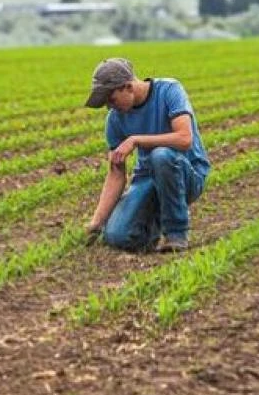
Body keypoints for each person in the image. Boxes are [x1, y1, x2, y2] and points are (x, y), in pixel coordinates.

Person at [84, 58, 210, 252]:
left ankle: (176, 234)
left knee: (161, 156)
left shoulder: (169, 90)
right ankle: (152, 226)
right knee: (116, 236)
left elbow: (184, 139)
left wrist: (137, 140)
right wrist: (97, 222)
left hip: (186, 173)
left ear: (127, 86)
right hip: (147, 179)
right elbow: (116, 174)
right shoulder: (115, 119)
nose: (110, 107)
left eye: (111, 99)